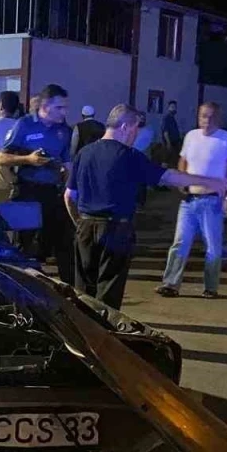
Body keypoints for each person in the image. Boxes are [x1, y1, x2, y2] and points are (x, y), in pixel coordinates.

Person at [64, 104, 208, 309]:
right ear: (124, 127)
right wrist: (208, 182)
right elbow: (168, 177)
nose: (136, 134)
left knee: (84, 291)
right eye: (135, 129)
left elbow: (69, 196)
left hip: (85, 228)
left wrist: (78, 222)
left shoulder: (84, 153)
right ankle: (104, 327)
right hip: (116, 230)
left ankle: (82, 326)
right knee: (108, 293)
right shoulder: (130, 156)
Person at [156, 102, 227, 299]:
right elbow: (183, 161)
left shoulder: (226, 139)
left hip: (213, 201)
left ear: (218, 118)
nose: (207, 120)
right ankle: (170, 284)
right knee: (180, 243)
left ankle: (211, 287)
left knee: (213, 247)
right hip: (189, 200)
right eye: (203, 116)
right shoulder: (191, 136)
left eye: (211, 117)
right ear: (198, 117)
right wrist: (181, 181)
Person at [0, 83, 75, 283]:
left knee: (64, 242)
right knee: (25, 243)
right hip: (28, 190)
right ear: (45, 106)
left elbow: (68, 163)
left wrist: (70, 187)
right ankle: (20, 283)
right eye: (59, 107)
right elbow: (2, 158)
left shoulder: (64, 130)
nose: (64, 112)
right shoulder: (24, 125)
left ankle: (69, 287)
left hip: (53, 191)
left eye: (65, 107)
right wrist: (28, 159)